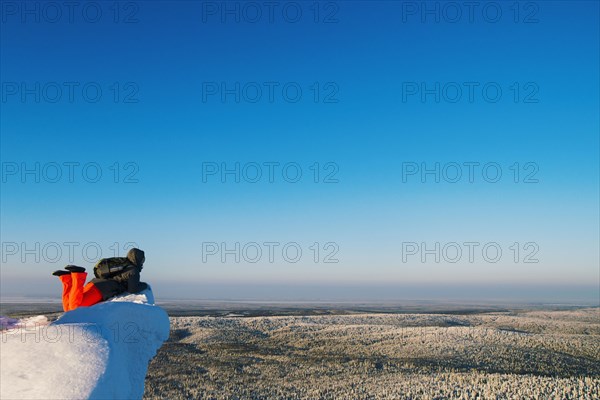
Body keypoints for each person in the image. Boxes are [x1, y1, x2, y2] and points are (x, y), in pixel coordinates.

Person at [52, 248, 148, 312]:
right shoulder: (133, 270)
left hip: (95, 284)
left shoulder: (123, 263)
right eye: (142, 260)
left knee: (68, 308)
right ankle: (78, 274)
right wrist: (145, 285)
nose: (142, 263)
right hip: (102, 290)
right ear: (138, 259)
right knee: (75, 309)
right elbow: (133, 289)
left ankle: (67, 279)